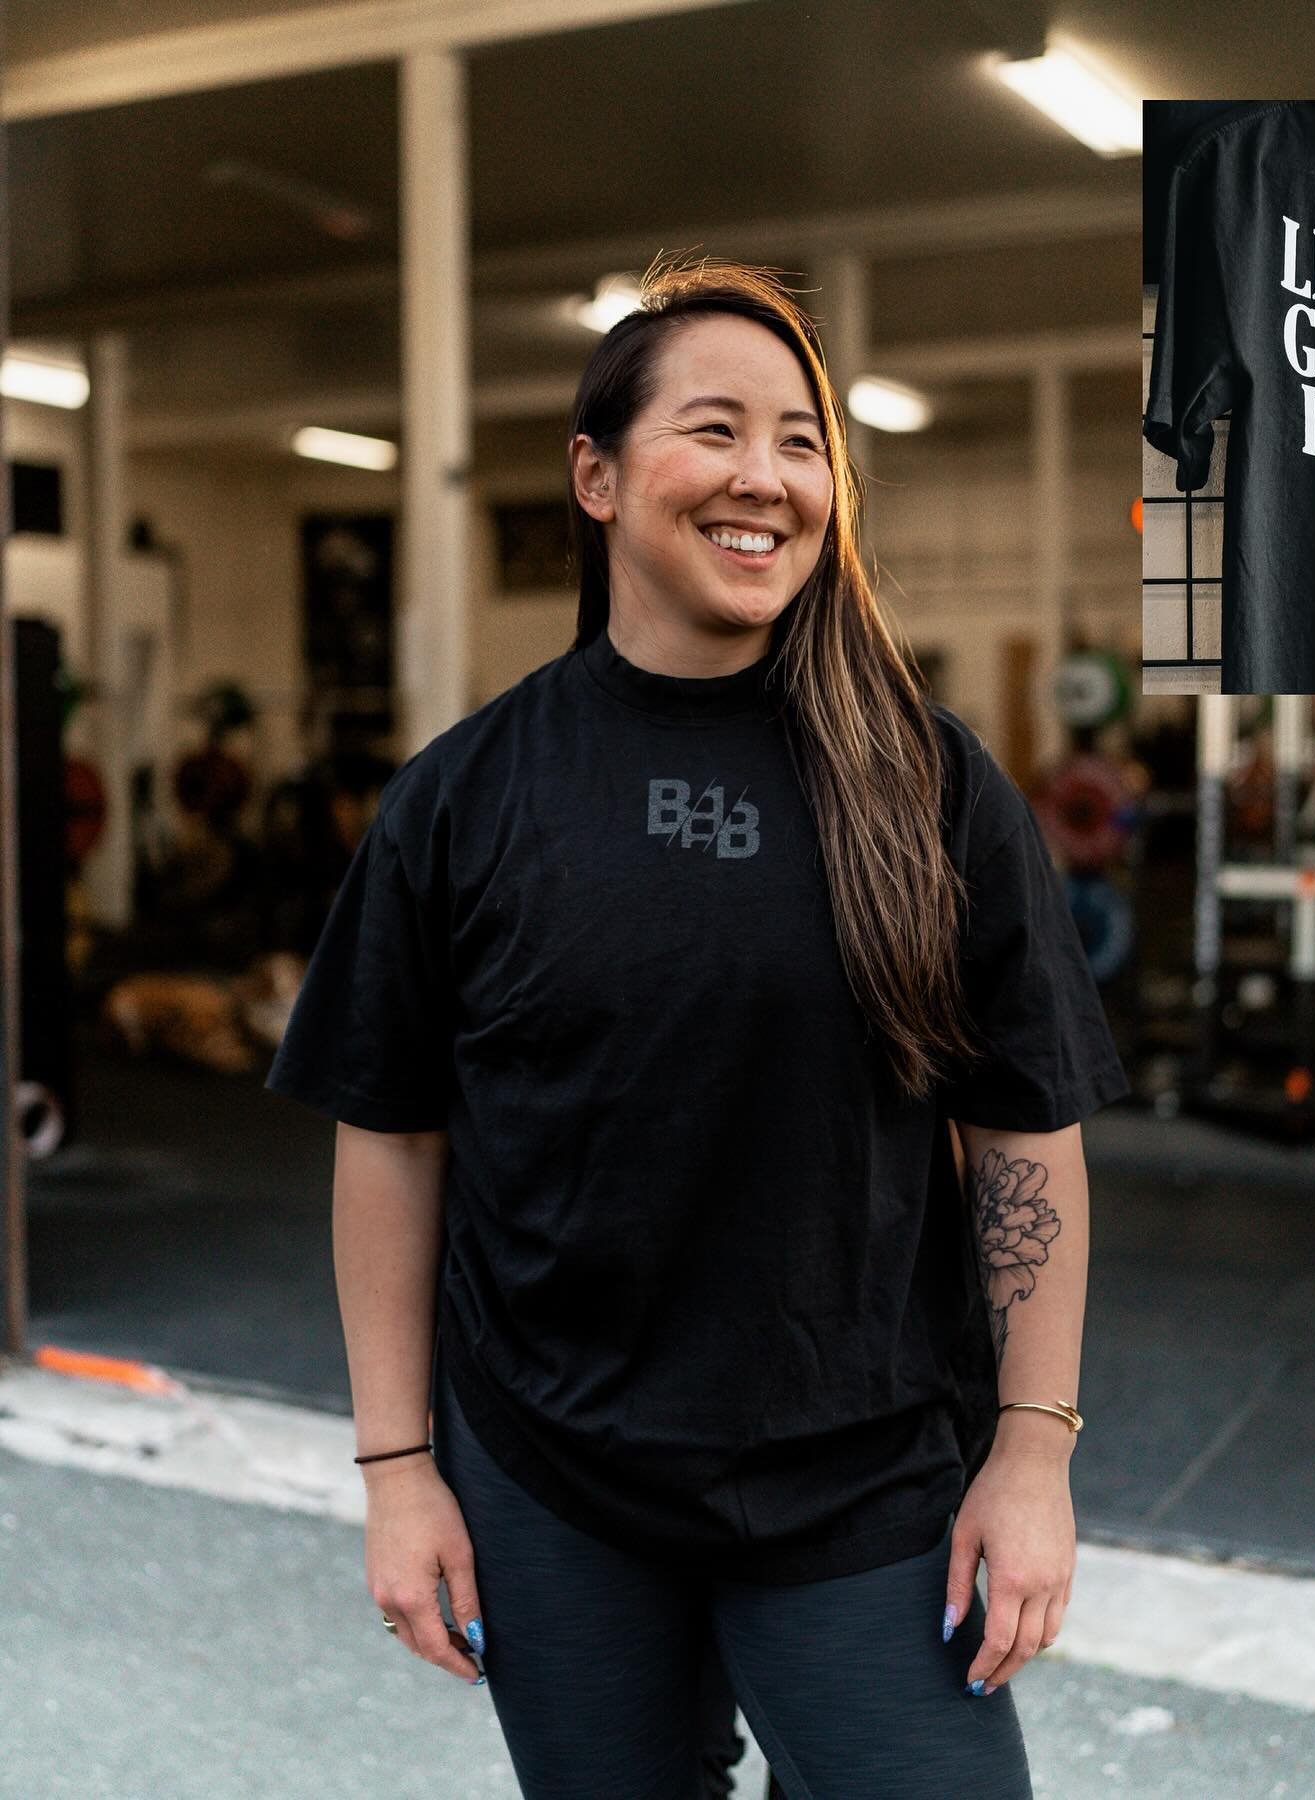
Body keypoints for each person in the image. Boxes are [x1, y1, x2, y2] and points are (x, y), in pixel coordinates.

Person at [264, 255, 1130, 1799]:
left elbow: (1025, 1126)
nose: (767, 478)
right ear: (595, 478)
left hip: (864, 1483)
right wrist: (401, 1472)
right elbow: (391, 1143)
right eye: (717, 430)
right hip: (556, 1482)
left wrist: (1033, 1450)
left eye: (803, 441)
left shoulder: (924, 784)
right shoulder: (465, 798)